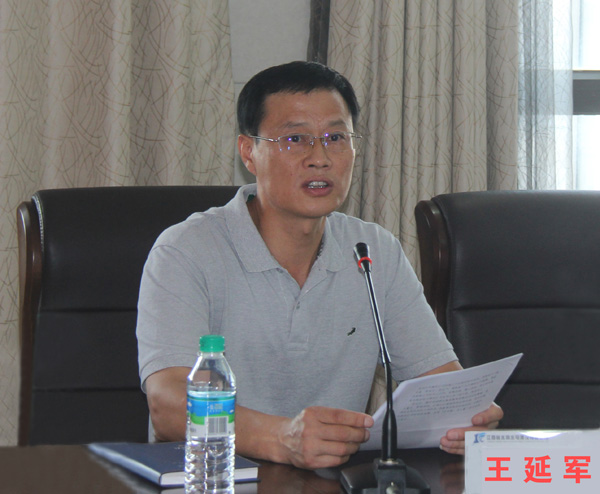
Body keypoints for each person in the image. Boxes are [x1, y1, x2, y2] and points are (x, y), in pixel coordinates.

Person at [136, 61, 502, 470]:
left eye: (336, 138)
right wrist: (282, 438)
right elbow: (168, 406)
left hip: (331, 481)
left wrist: (467, 413)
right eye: (295, 139)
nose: (320, 158)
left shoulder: (373, 251)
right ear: (248, 152)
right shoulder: (187, 250)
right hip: (216, 479)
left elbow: (440, 380)